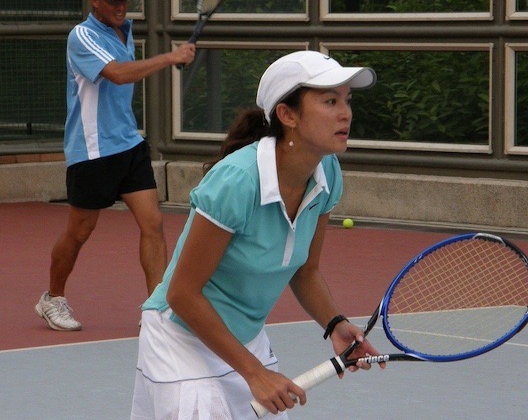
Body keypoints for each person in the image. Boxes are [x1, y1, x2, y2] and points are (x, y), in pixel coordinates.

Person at [130, 50, 384, 419]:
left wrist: (334, 323)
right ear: (287, 115)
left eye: (347, 100)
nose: (345, 113)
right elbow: (182, 293)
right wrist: (255, 373)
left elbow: (305, 270)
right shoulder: (238, 180)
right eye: (330, 101)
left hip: (245, 340)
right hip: (182, 340)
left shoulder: (327, 173)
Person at [35, 0, 196, 331]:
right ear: (95, 1)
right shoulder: (82, 35)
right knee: (79, 232)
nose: (121, 6)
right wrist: (169, 58)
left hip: (128, 144)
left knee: (153, 223)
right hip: (92, 150)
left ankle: (156, 309)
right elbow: (119, 74)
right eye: (113, 1)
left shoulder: (125, 29)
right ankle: (52, 298)